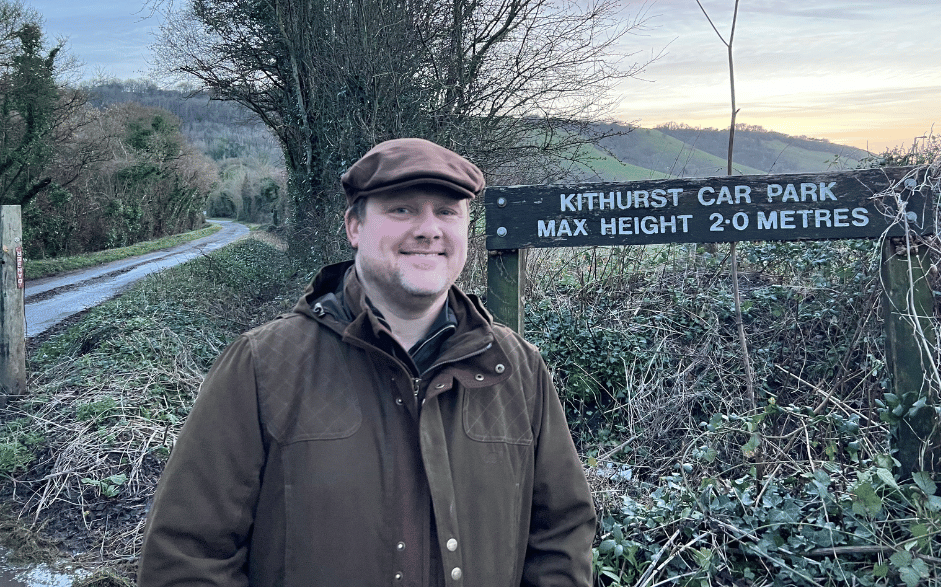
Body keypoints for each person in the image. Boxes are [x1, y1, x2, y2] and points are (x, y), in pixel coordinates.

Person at [137, 138, 597, 587]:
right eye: (402, 209)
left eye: (446, 211)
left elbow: (561, 538)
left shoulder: (516, 369)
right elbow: (188, 556)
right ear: (354, 226)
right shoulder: (262, 366)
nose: (429, 229)